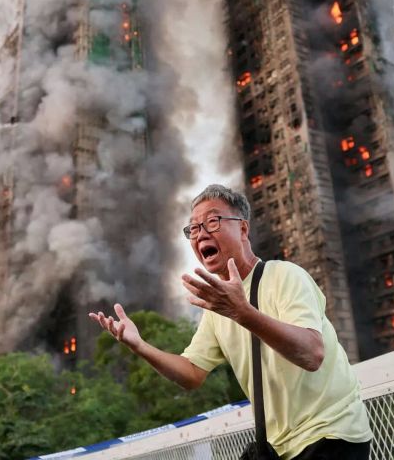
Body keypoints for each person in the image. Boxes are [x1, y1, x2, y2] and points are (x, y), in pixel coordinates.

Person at [89, 184, 373, 460]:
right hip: (279, 448)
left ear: (243, 229)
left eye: (212, 221)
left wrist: (242, 312)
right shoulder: (217, 308)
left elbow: (312, 354)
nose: (201, 233)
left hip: (331, 435)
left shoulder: (285, 276)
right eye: (194, 228)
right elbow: (191, 373)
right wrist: (140, 346)